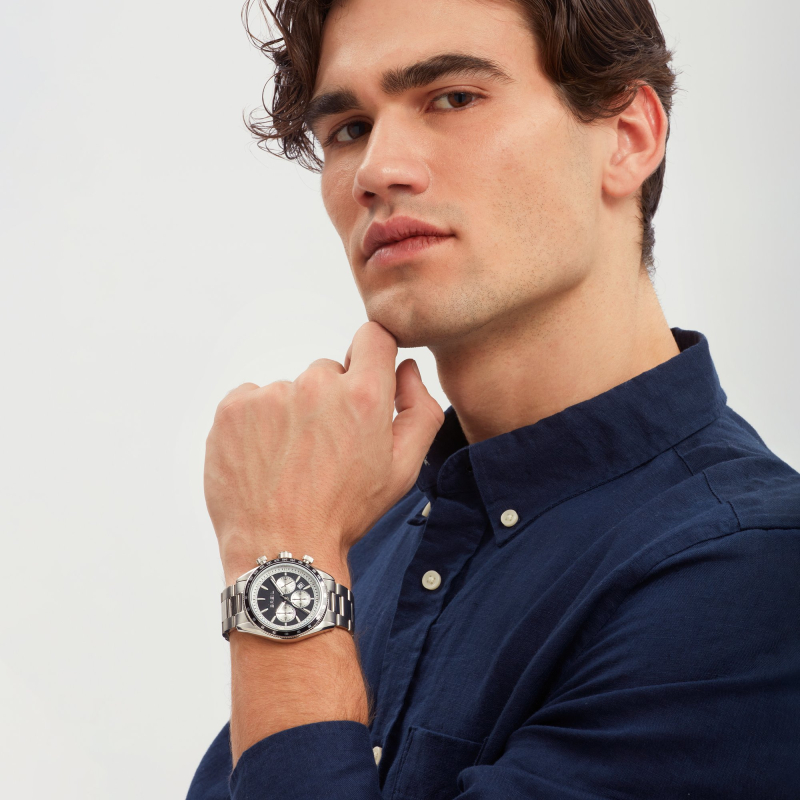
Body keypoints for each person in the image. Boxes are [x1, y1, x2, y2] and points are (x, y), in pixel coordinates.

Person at [187, 0, 800, 797]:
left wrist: (280, 562)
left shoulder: (757, 569)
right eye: (349, 129)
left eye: (452, 98)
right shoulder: (366, 538)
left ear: (628, 136)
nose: (377, 169)